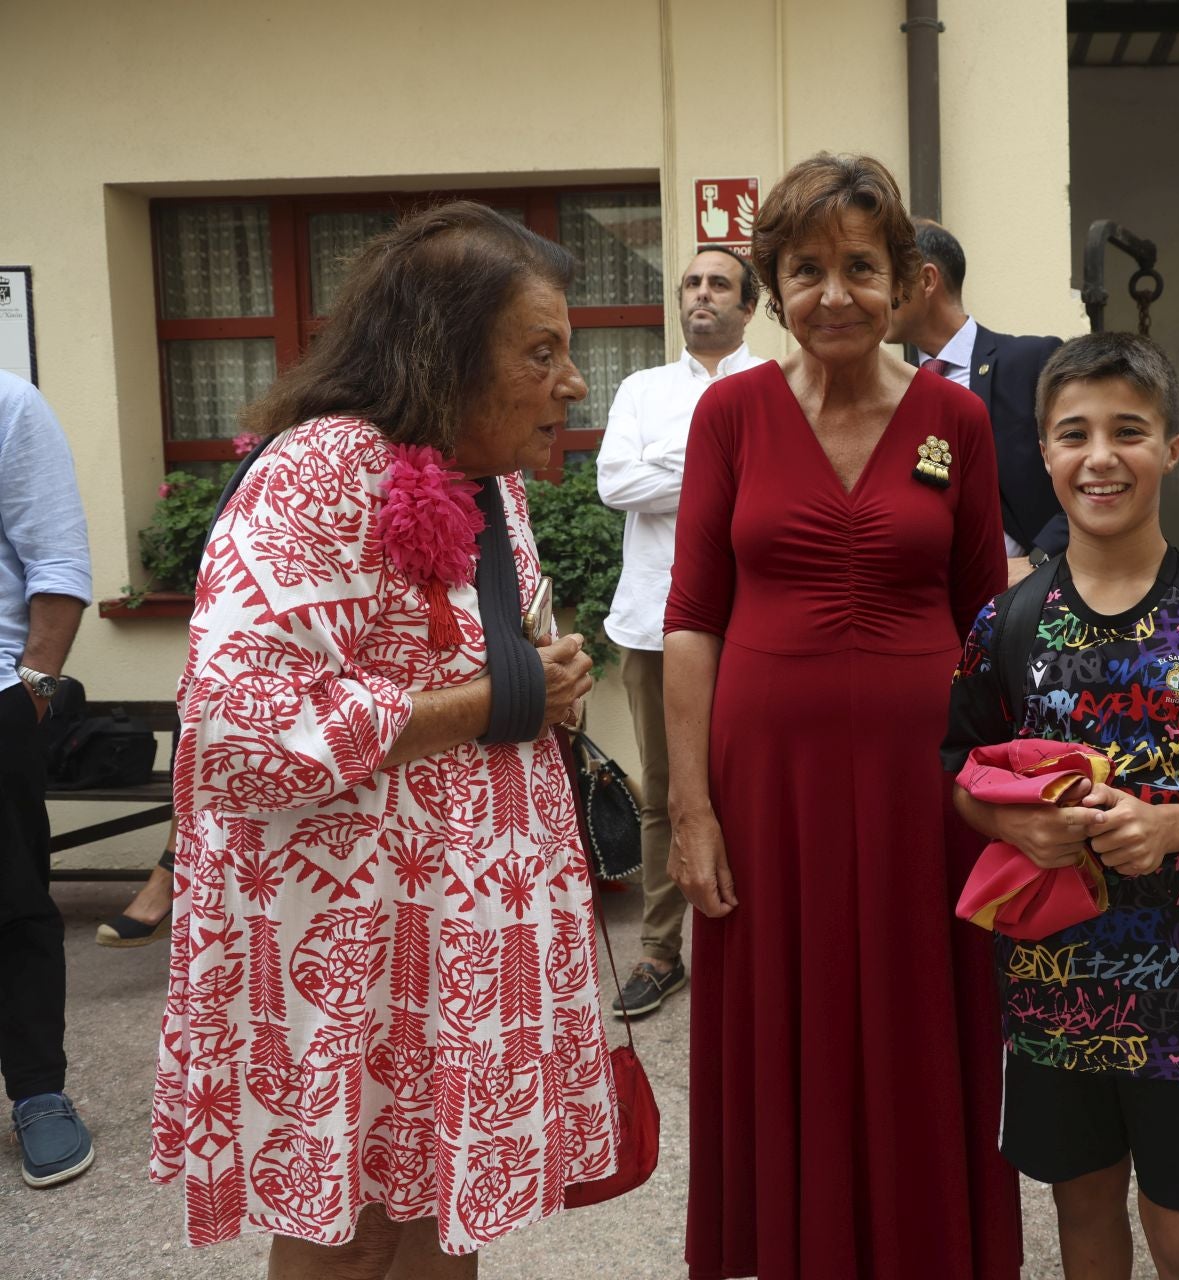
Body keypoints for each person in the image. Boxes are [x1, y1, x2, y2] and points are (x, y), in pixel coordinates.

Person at [149, 201, 616, 1274]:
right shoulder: (322, 470)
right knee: (353, 1233)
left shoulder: (489, 480)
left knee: (438, 1219)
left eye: (570, 353)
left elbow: (505, 663)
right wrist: (487, 701)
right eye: (541, 352)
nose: (572, 383)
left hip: (454, 949)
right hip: (349, 950)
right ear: (445, 349)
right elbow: (235, 723)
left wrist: (554, 684)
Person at [663, 153, 1019, 1279]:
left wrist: (1010, 789)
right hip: (767, 780)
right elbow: (691, 618)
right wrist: (691, 809)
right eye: (806, 268)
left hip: (929, 777)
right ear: (773, 280)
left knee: (924, 1017)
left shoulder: (953, 417)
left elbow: (988, 613)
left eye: (860, 266)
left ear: (905, 278)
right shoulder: (731, 413)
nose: (833, 293)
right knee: (787, 1022)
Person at [944, 332, 1179, 1279]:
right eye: (1074, 434)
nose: (1101, 456)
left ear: (1172, 450)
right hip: (1049, 988)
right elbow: (961, 774)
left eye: (1129, 431)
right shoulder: (1007, 624)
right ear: (1044, 454)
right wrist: (1009, 821)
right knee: (1082, 1216)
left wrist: (1171, 827)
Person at [596, 246, 767, 1019]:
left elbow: (769, 490)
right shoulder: (642, 388)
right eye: (692, 284)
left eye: (718, 284)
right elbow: (613, 484)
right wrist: (713, 461)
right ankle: (661, 952)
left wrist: (671, 466)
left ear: (749, 305)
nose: (702, 295)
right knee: (665, 793)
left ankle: (759, 947)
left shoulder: (775, 389)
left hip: (752, 624)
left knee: (757, 789)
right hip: (651, 624)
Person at [0, 369, 94, 1188]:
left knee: (14, 903)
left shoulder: (8, 404)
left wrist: (33, 688)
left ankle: (38, 1093)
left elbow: (58, 564)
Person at [886, 219, 1066, 587]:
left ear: (926, 280)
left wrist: (1038, 562)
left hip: (1031, 596)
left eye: (884, 277)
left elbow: (1083, 473)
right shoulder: (889, 385)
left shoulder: (1032, 360)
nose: (873, 294)